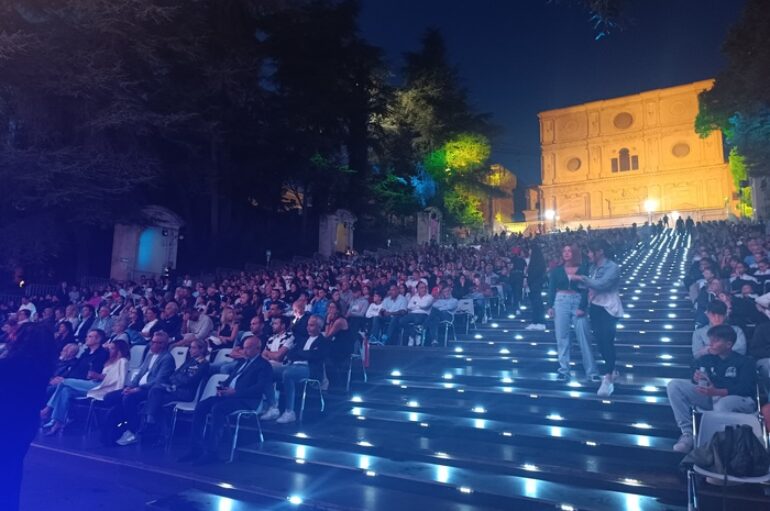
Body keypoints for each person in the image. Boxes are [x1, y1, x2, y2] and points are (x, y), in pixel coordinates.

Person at [178, 335, 272, 464]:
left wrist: (236, 392)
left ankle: (211, 452)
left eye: (248, 348)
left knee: (218, 409)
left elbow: (260, 388)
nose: (245, 351)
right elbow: (231, 379)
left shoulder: (264, 365)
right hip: (229, 396)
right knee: (202, 406)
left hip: (246, 400)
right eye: (244, 348)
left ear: (258, 348)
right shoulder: (242, 363)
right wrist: (223, 387)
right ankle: (195, 448)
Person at [667, 325, 757, 453]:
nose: (711, 344)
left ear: (729, 344)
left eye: (716, 341)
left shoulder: (745, 362)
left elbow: (746, 388)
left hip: (740, 399)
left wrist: (717, 392)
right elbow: (699, 375)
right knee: (674, 385)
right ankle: (687, 434)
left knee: (722, 404)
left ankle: (717, 445)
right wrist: (697, 378)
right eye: (711, 340)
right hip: (712, 395)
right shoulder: (707, 359)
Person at [0, 324, 57, 511]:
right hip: (25, 423)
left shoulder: (8, 365)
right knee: (12, 469)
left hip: (5, 421)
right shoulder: (43, 368)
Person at [569, 238, 623, 396]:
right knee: (601, 342)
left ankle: (608, 377)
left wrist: (581, 279)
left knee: (606, 340)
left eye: (591, 251)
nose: (589, 254)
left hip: (609, 308)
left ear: (600, 252)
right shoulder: (592, 268)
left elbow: (602, 285)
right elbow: (587, 288)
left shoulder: (612, 267)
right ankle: (611, 371)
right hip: (596, 308)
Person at [101, 331, 175, 445]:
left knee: (127, 398)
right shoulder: (149, 355)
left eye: (158, 343)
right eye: (153, 342)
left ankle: (133, 430)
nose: (153, 345)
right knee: (109, 397)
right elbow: (140, 373)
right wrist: (130, 386)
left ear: (164, 344)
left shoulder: (167, 359)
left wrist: (138, 389)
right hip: (138, 387)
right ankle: (119, 423)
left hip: (151, 390)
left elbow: (160, 380)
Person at [44, 339, 130, 435]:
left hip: (104, 388)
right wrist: (97, 376)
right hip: (97, 383)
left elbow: (118, 379)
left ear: (119, 350)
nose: (110, 350)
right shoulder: (110, 361)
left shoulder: (123, 361)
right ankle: (58, 422)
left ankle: (47, 409)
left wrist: (98, 376)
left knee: (64, 381)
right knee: (65, 391)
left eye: (113, 348)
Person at [140, 338, 211, 443]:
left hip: (186, 393)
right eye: (190, 347)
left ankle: (152, 423)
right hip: (176, 389)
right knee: (155, 394)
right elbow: (174, 374)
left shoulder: (203, 364)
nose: (190, 350)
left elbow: (188, 380)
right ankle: (158, 429)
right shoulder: (190, 360)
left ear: (201, 349)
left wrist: (175, 381)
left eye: (193, 348)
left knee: (155, 395)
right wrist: (176, 380)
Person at [547, 244, 597, 382]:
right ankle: (564, 370)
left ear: (575, 253)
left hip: (578, 299)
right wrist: (550, 306)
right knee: (562, 337)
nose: (567, 253)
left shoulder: (583, 268)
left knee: (584, 337)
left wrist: (583, 306)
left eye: (569, 251)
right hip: (560, 301)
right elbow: (551, 288)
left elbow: (586, 288)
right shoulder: (556, 271)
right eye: (564, 251)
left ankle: (591, 371)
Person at [276, 315, 330, 424]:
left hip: (310, 369)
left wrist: (301, 354)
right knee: (270, 371)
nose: (308, 328)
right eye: (308, 325)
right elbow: (291, 354)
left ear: (319, 327)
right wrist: (304, 354)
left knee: (288, 374)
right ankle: (272, 406)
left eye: (311, 325)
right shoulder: (302, 340)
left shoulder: (323, 341)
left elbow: (314, 356)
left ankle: (289, 411)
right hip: (294, 366)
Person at [259, 317, 295, 420]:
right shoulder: (271, 338)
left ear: (283, 325)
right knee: (257, 370)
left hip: (284, 366)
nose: (272, 325)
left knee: (264, 371)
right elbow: (262, 355)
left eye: (275, 323)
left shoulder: (290, 337)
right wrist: (271, 355)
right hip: (269, 365)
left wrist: (269, 354)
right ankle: (264, 405)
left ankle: (273, 407)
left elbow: (279, 356)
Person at [397, 281, 434, 346]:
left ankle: (412, 336)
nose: (424, 289)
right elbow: (409, 307)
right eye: (422, 288)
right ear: (418, 289)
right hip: (412, 314)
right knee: (401, 321)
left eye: (425, 287)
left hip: (424, 315)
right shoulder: (414, 297)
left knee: (417, 320)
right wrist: (419, 306)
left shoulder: (430, 297)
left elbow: (425, 305)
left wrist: (415, 304)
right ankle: (413, 334)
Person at [525, 243, 547, 331]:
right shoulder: (533, 261)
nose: (529, 251)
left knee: (537, 304)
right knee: (534, 304)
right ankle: (535, 321)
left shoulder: (538, 262)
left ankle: (540, 322)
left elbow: (536, 274)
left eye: (530, 250)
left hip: (536, 285)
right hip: (533, 285)